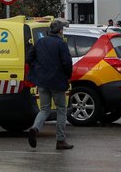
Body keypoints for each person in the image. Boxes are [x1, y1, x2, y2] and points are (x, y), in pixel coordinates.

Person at [26, 19, 74, 150]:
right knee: (61, 109)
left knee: (44, 109)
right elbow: (67, 63)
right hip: (57, 82)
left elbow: (29, 58)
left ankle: (35, 129)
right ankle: (60, 140)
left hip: (42, 81)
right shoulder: (61, 44)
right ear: (60, 31)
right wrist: (68, 76)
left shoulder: (40, 41)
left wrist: (37, 69)